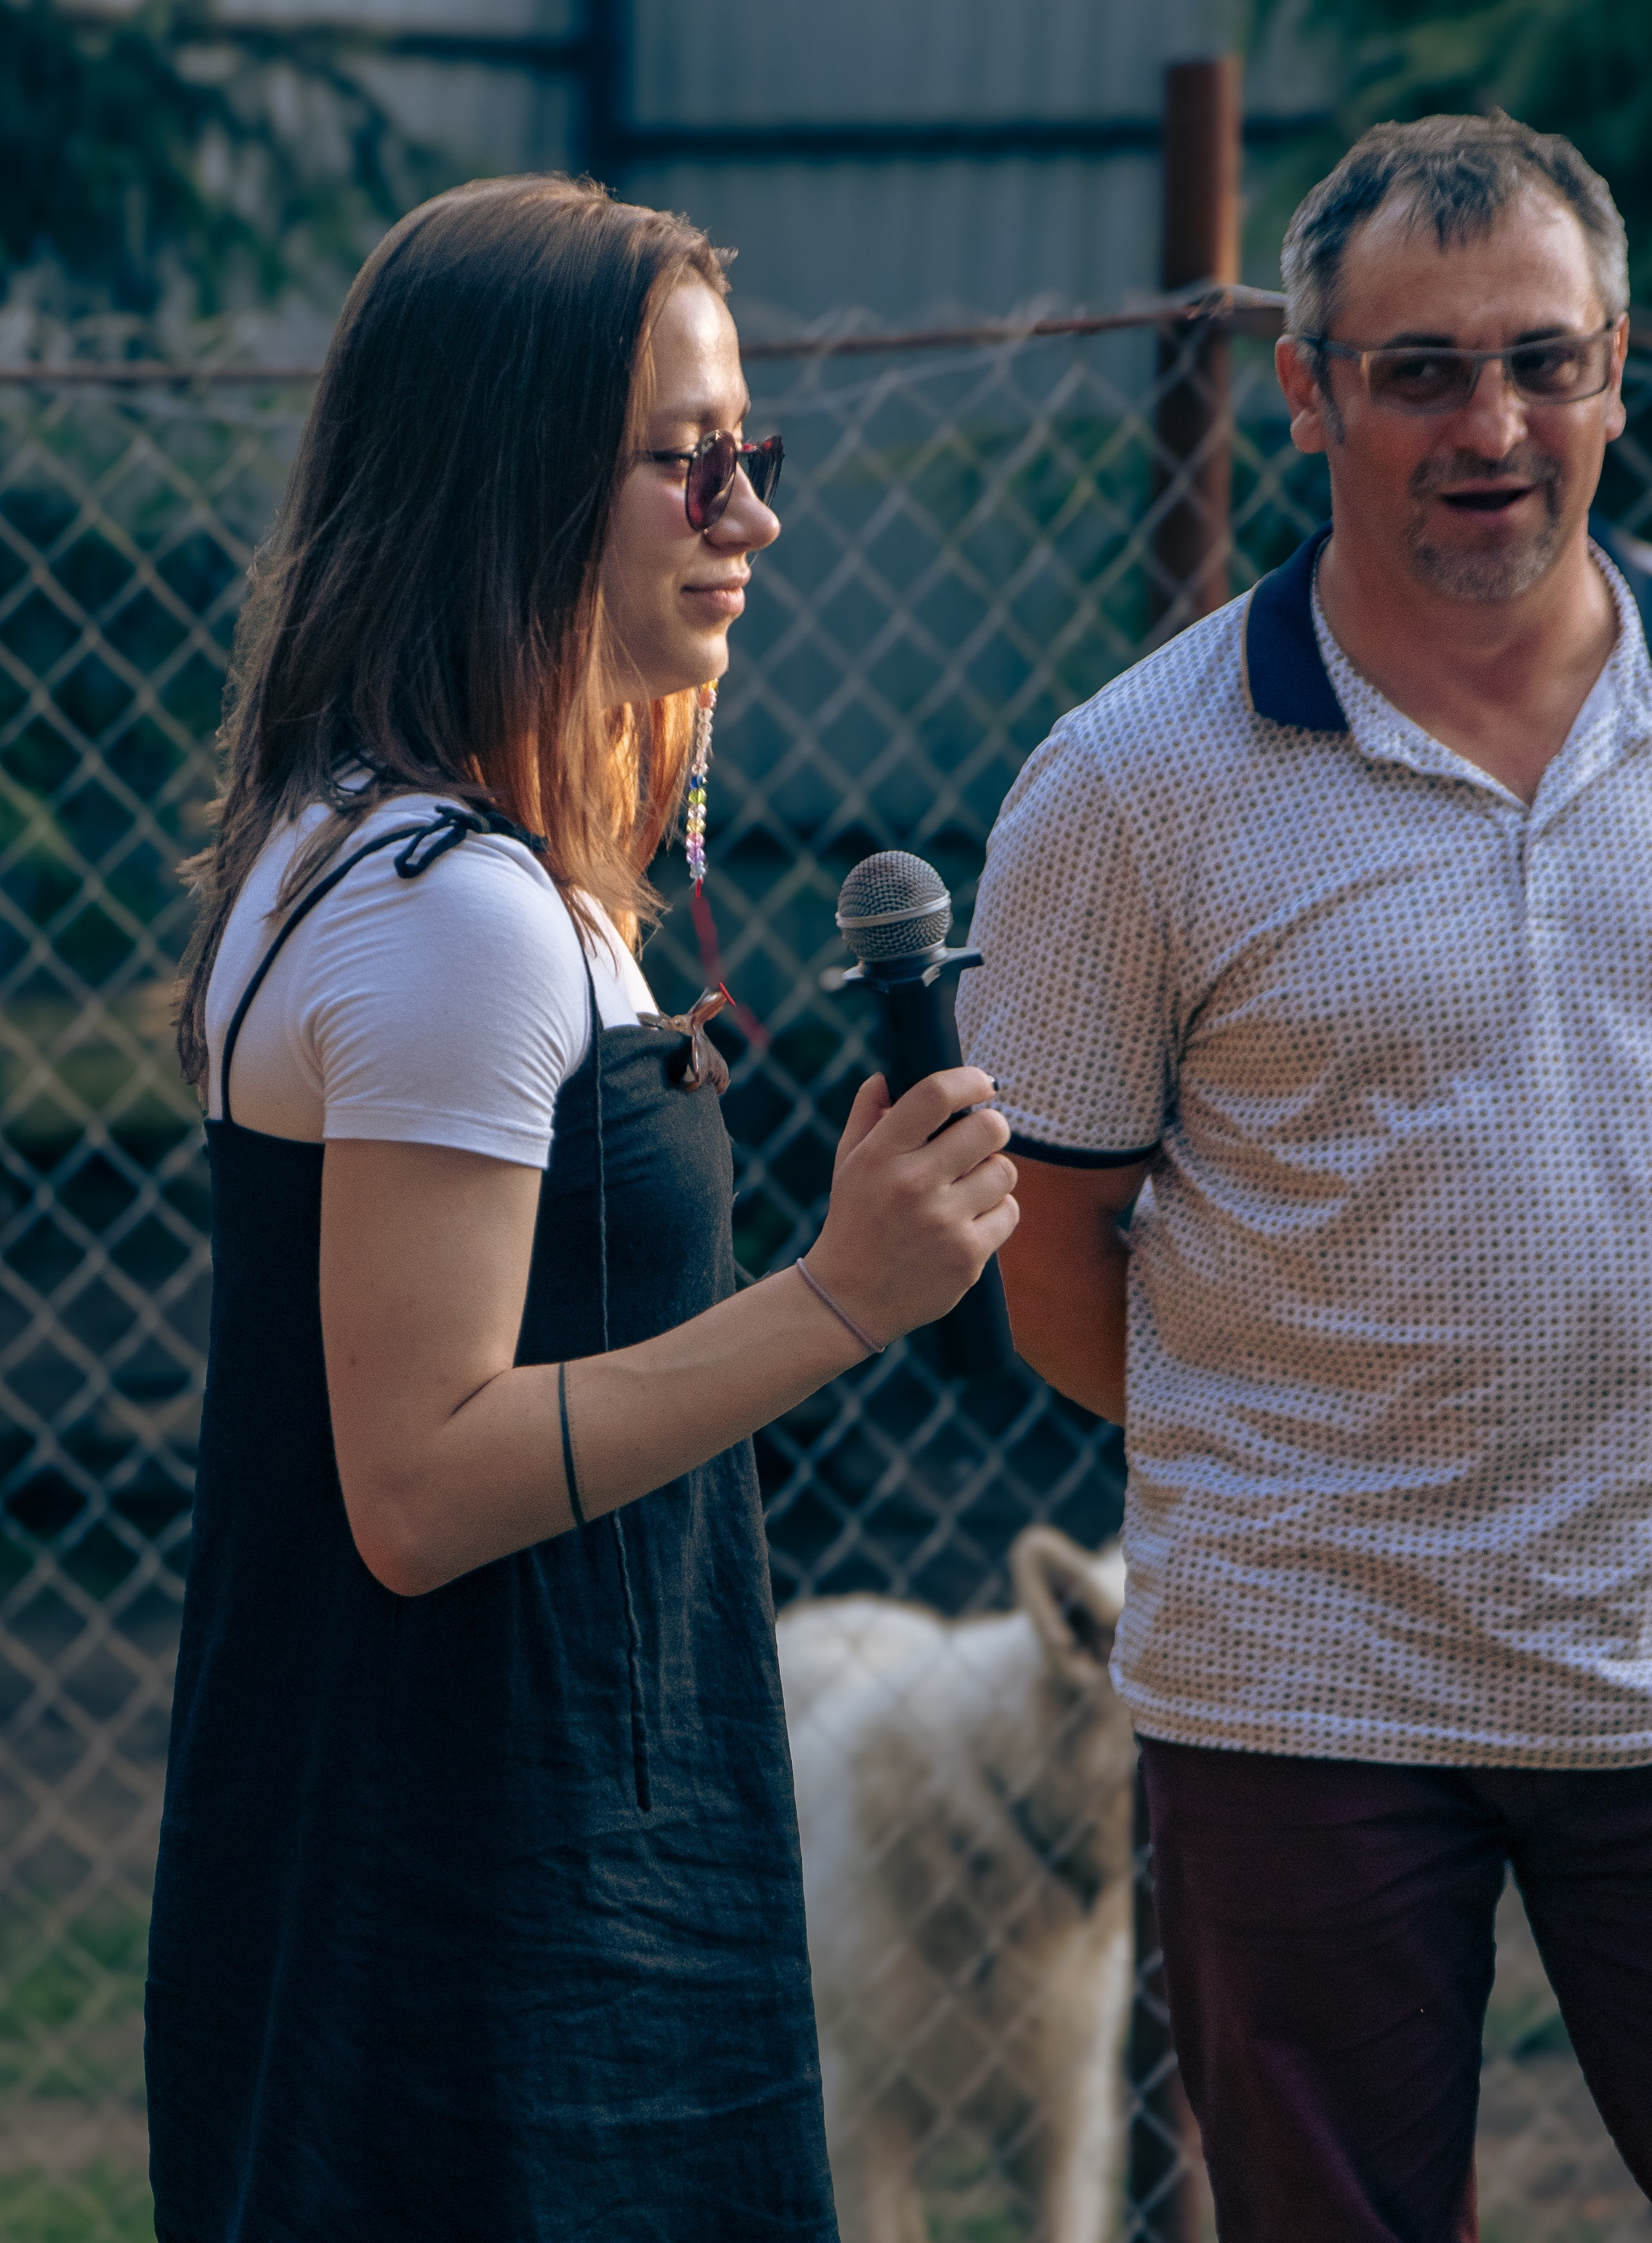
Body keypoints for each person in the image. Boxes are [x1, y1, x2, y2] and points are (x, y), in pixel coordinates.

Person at [146, 175, 1018, 2242]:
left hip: (455, 1835)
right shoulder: (454, 914)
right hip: (476, 1893)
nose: (752, 516)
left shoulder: (406, 847)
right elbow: (420, 1482)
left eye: (755, 455)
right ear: (512, 474)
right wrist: (842, 1291)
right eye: (685, 462)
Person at [957, 113, 1652, 2240]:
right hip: (1303, 1689)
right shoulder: (1132, 786)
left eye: (1544, 360)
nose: (1493, 424)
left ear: (1620, 367)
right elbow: (1051, 1257)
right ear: (1309, 388)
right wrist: (1303, 1474)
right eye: (1421, 369)